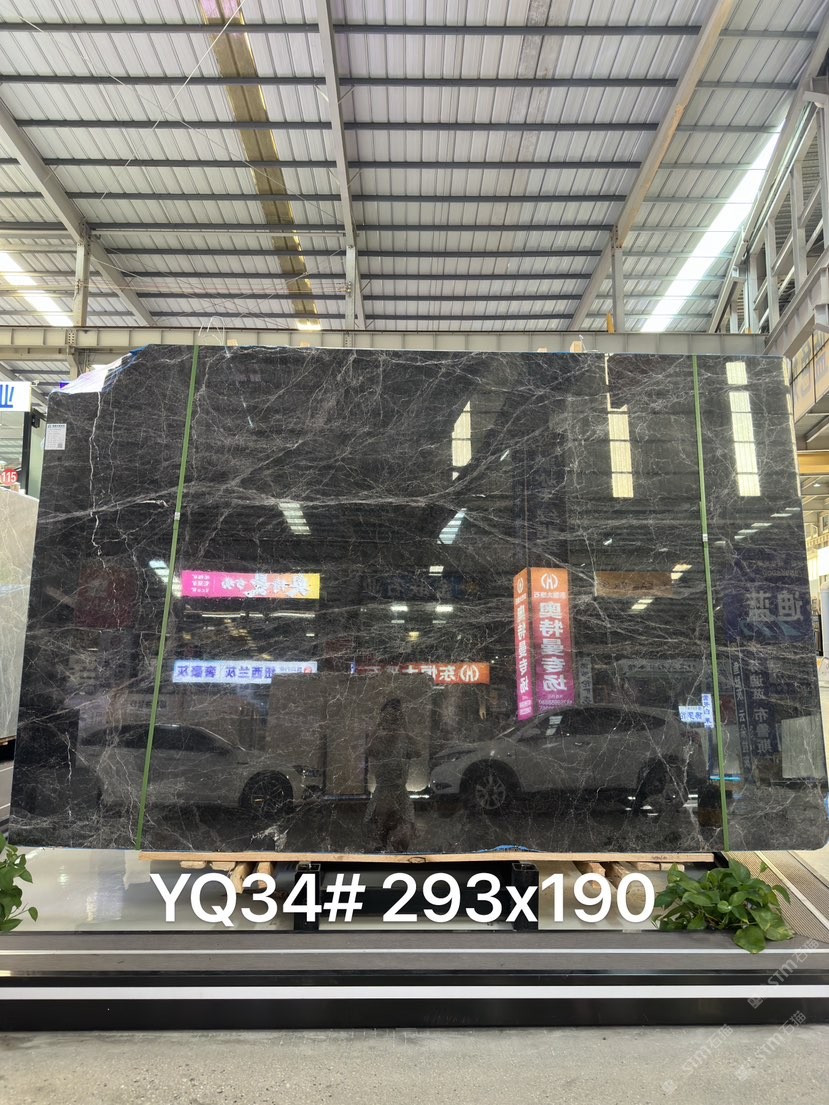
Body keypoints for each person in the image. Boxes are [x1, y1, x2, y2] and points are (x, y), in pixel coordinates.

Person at [363, 698, 416, 852]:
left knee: (403, 841)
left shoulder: (404, 739)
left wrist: (405, 728)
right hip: (383, 795)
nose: (392, 721)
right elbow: (368, 750)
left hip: (399, 794)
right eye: (388, 717)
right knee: (378, 839)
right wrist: (378, 726)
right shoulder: (379, 739)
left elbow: (417, 751)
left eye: (395, 717)